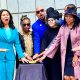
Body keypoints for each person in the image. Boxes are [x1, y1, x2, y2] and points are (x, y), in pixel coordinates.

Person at [39, 4, 80, 80]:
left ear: (74, 17)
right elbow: (55, 43)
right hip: (66, 55)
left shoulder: (78, 27)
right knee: (66, 77)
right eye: (66, 16)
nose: (68, 18)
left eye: (70, 16)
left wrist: (76, 55)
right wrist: (45, 55)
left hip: (76, 54)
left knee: (74, 77)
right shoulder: (63, 28)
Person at [0, 9, 28, 80]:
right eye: (3, 15)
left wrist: (21, 56)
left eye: (7, 15)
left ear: (10, 17)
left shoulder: (14, 30)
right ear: (0, 17)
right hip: (0, 58)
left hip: (10, 58)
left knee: (10, 77)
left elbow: (17, 44)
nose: (6, 16)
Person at [41, 7, 61, 80]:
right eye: (48, 20)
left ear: (56, 20)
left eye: (52, 20)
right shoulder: (46, 32)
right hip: (48, 59)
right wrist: (42, 53)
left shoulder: (61, 30)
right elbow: (43, 44)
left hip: (58, 58)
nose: (50, 22)